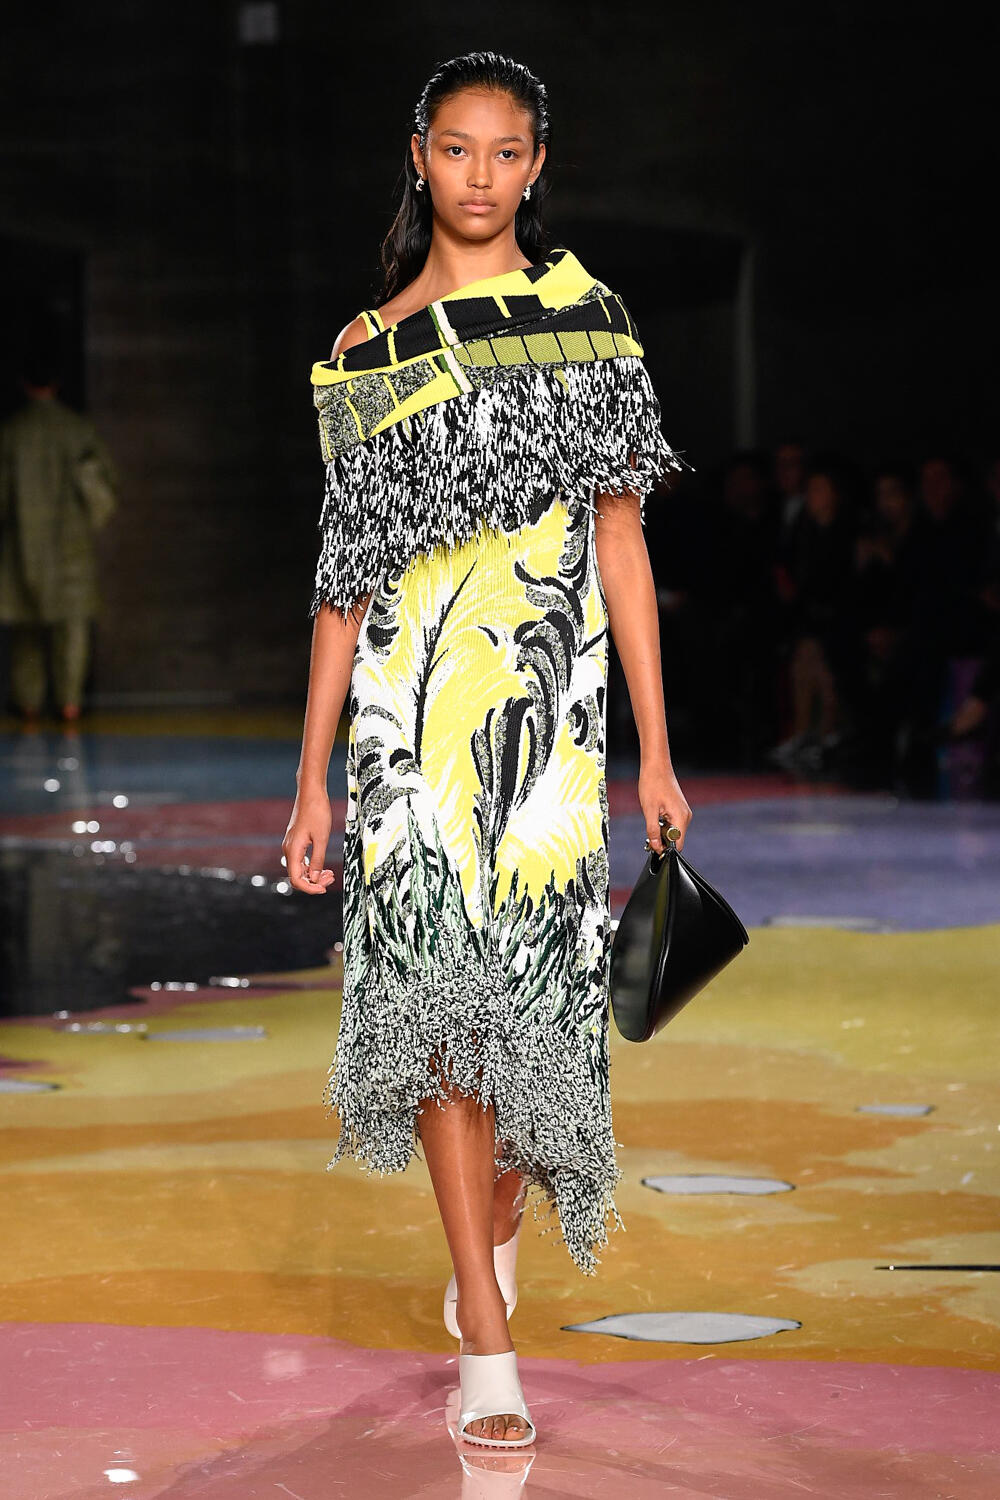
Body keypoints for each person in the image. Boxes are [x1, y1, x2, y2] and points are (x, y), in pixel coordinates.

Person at [280, 51, 692, 1449]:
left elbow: (622, 545)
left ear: (537, 166)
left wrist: (654, 751)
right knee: (444, 1027)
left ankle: (490, 1240)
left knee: (538, 1037)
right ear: (419, 154)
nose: (479, 176)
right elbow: (343, 583)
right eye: (456, 149)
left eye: (505, 152)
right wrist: (310, 776)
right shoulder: (366, 352)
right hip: (403, 735)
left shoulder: (589, 321)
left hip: (549, 728)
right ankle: (488, 1341)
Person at [0, 351, 118, 723]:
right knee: (72, 629)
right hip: (72, 546)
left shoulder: (11, 433)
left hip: (21, 547)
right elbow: (104, 490)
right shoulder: (78, 430)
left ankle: (28, 707)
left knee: (25, 632)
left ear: (24, 384)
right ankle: (70, 705)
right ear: (58, 383)